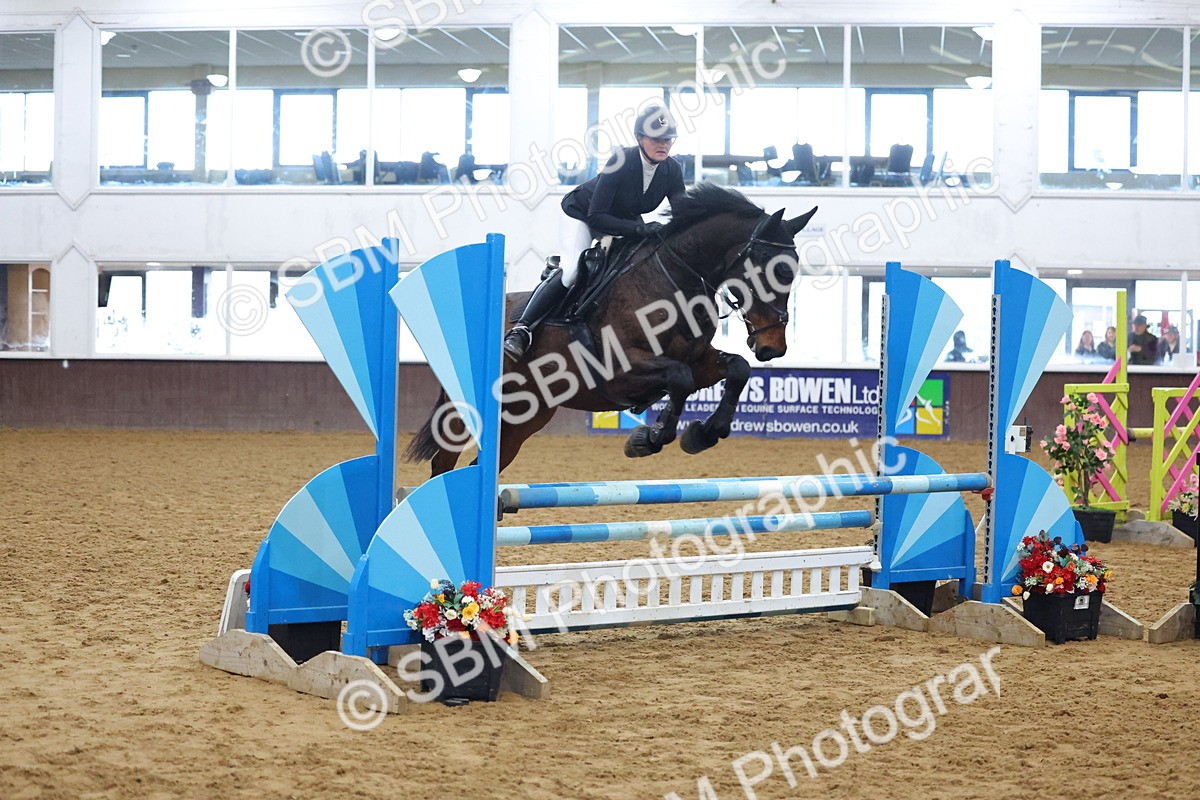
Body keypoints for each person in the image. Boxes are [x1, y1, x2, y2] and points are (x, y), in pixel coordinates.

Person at [502, 105, 688, 361]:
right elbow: (597, 216)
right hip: (583, 214)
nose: (664, 145)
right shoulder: (621, 161)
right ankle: (521, 331)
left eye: (668, 139)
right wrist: (641, 229)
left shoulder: (673, 170)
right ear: (639, 138)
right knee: (573, 271)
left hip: (624, 218)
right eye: (657, 139)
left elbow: (683, 215)